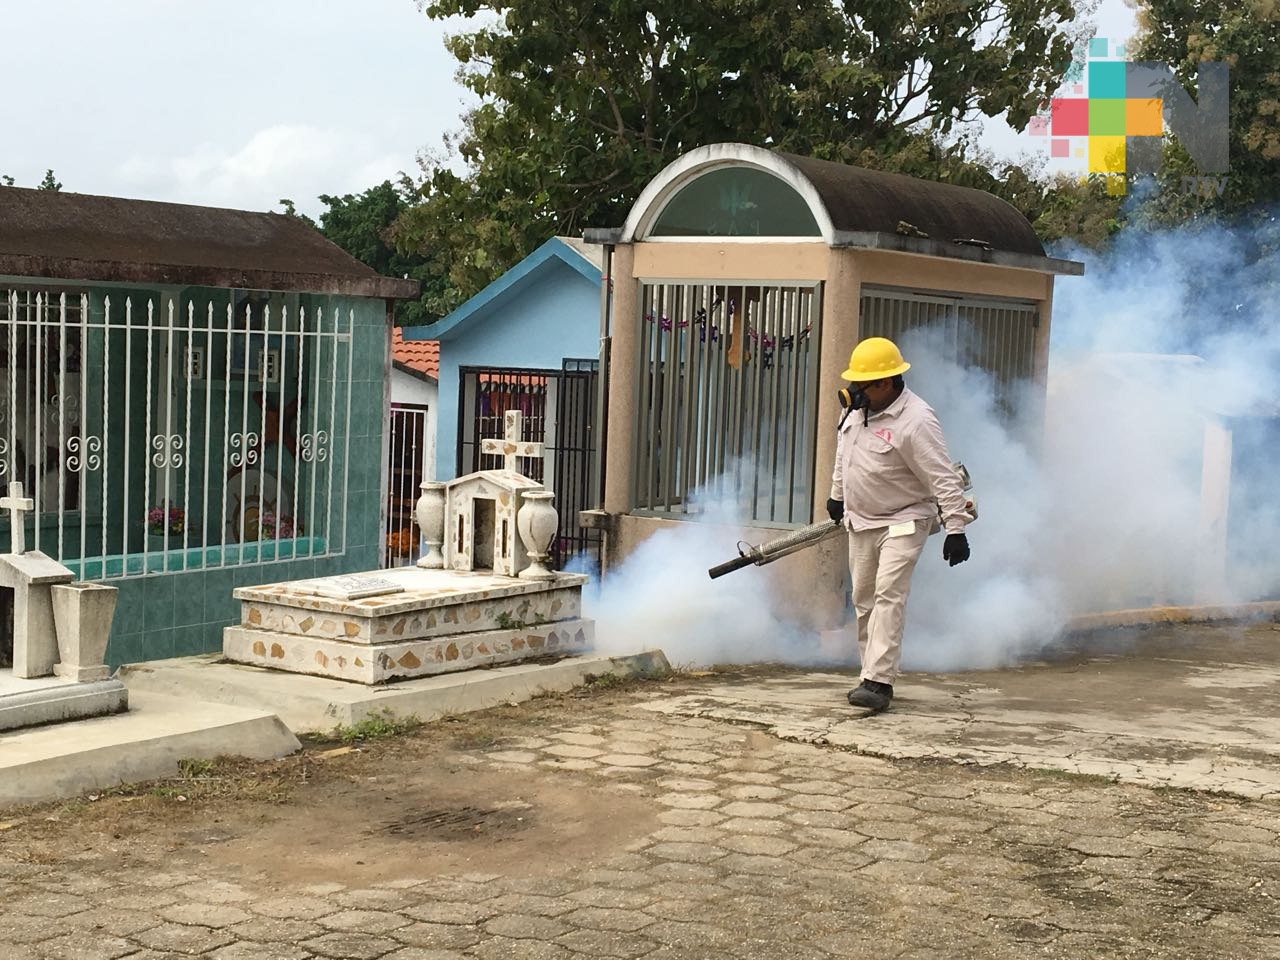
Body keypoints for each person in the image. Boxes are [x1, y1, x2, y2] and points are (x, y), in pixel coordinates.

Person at [827, 336, 972, 712]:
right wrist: (837, 495)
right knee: (863, 599)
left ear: (886, 383)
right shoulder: (854, 413)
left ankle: (879, 682)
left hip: (904, 519)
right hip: (861, 521)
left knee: (888, 593)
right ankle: (869, 672)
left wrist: (956, 528)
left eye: (863, 384)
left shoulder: (916, 420)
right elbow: (844, 455)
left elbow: (942, 476)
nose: (855, 390)